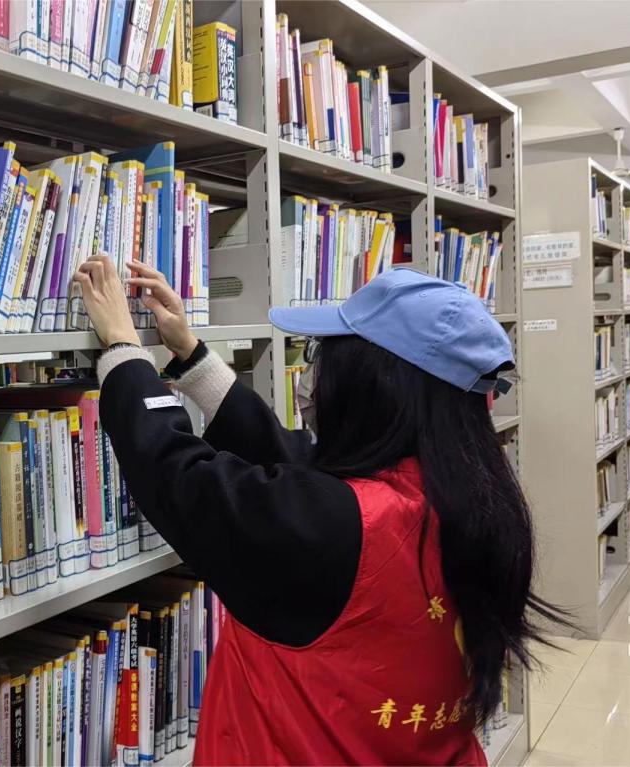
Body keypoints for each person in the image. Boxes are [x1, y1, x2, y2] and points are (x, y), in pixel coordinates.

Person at [73, 256, 555, 766]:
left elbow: (175, 473)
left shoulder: (336, 524)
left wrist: (124, 350)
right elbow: (294, 460)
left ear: (374, 385)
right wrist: (190, 355)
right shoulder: (473, 496)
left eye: (324, 355)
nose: (313, 374)